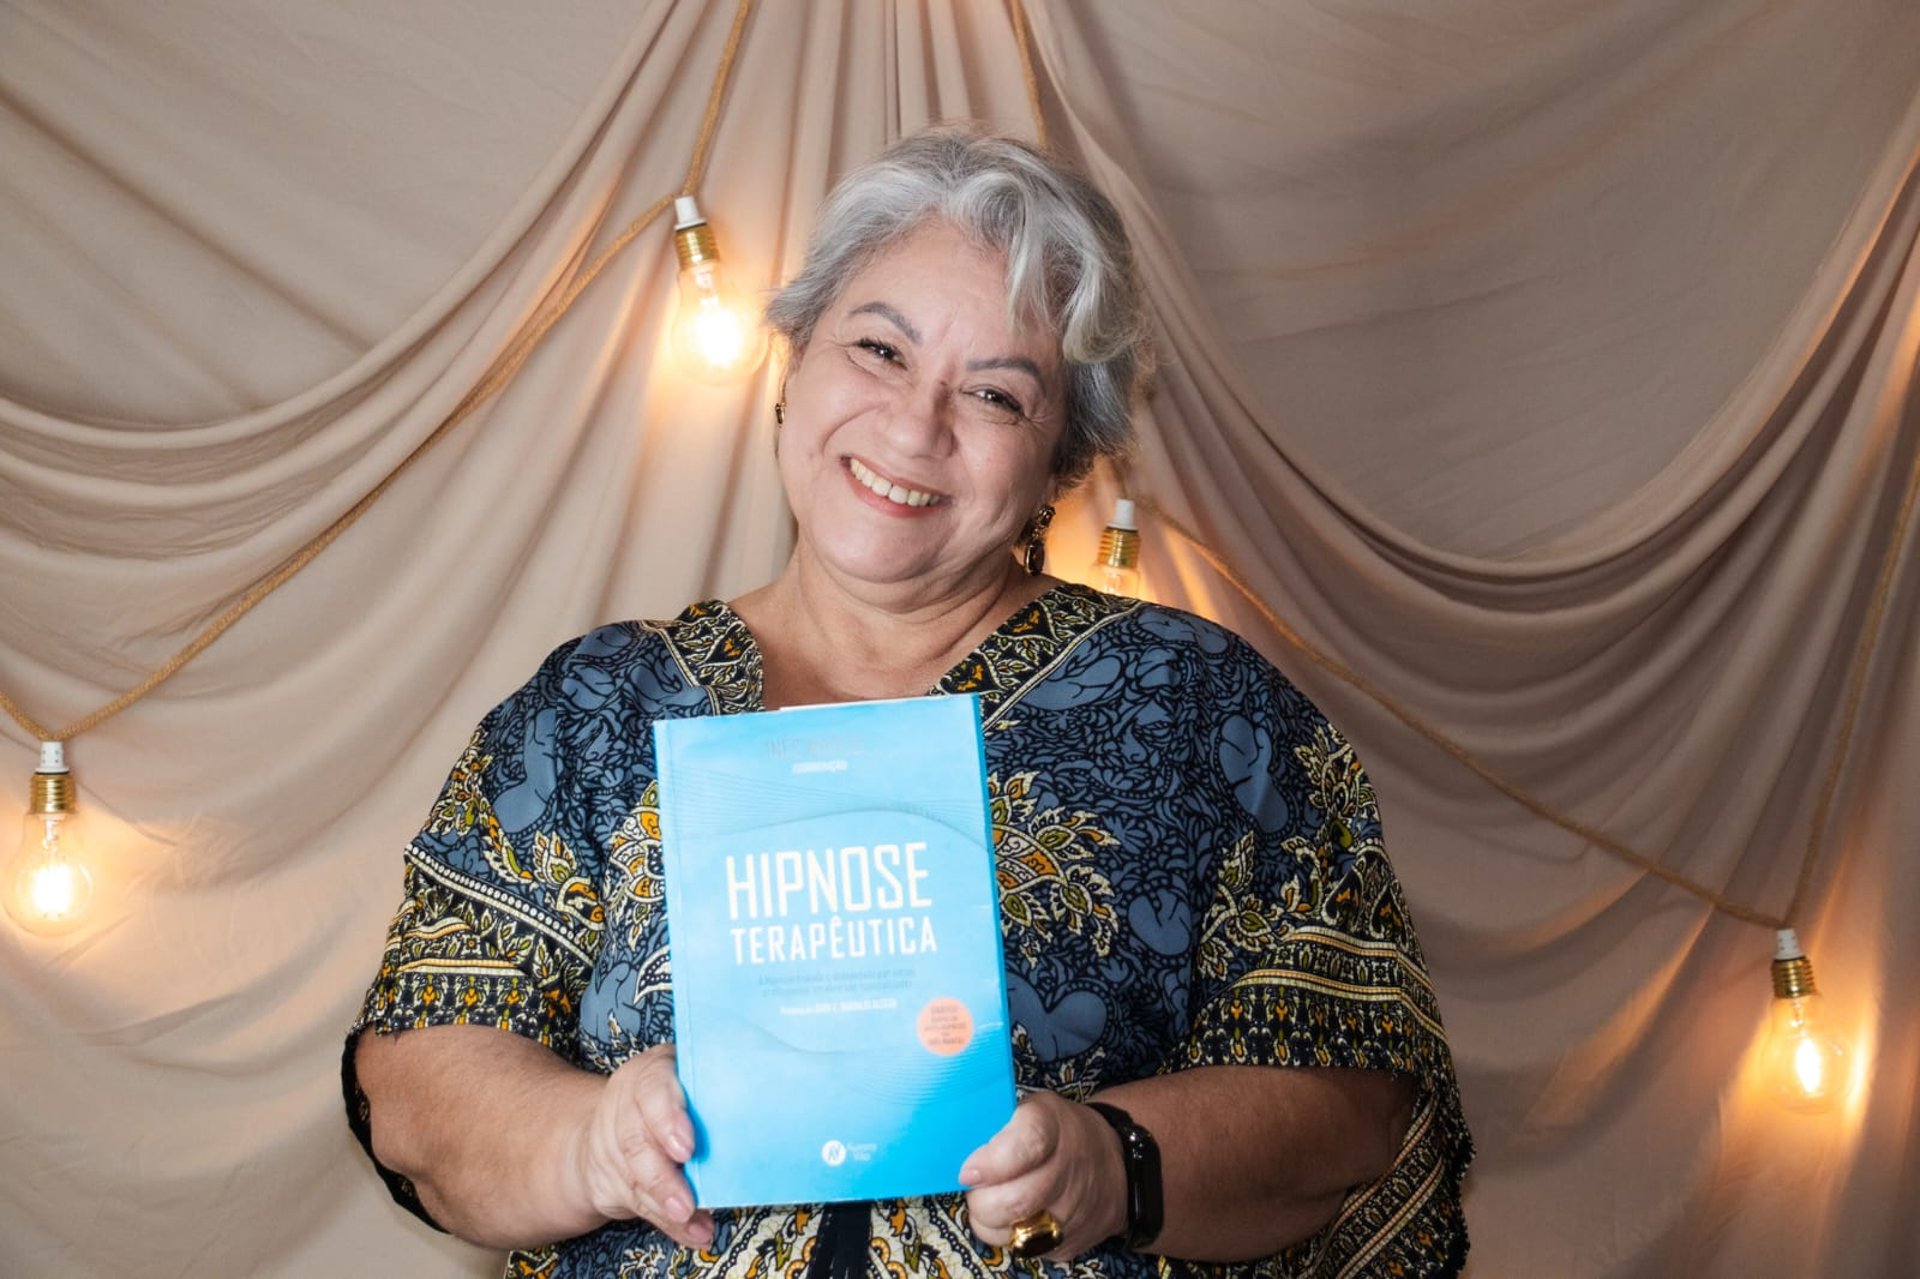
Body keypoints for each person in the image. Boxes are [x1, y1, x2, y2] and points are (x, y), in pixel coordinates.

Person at [345, 125, 1471, 1279]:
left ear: (1061, 461)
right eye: (880, 349)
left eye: (993, 394)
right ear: (795, 359)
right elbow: (418, 1076)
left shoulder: (1205, 710)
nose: (914, 426)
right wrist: (588, 1143)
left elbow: (1355, 1100)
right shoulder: (590, 710)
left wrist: (1116, 1159)